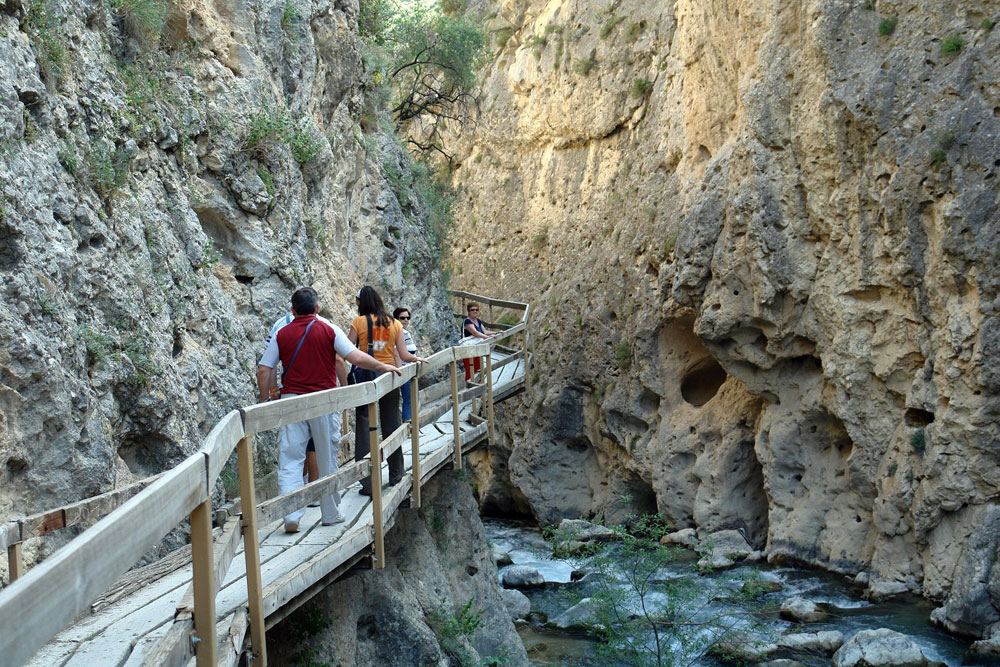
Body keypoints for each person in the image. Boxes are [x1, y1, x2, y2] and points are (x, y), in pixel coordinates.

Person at [257, 287, 400, 533]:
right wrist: (383, 367)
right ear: (317, 308)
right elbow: (354, 357)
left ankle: (291, 514)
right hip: (324, 398)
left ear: (292, 310)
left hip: (292, 401)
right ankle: (331, 512)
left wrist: (269, 399)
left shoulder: (282, 333)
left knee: (290, 458)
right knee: (326, 457)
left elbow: (264, 370)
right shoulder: (328, 329)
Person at [350, 287, 428, 495]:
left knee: (365, 425)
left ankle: (368, 483)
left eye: (357, 301)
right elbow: (403, 353)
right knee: (391, 422)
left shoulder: (359, 323)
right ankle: (396, 473)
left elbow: (347, 351)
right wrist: (416, 359)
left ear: (362, 302)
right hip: (390, 375)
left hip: (366, 376)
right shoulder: (394, 324)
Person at [393, 306, 418, 422]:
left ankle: (411, 424)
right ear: (396, 319)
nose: (406, 320)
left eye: (408, 317)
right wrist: (400, 371)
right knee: (409, 399)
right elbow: (396, 353)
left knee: (412, 398)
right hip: (404, 369)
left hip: (409, 369)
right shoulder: (398, 333)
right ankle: (408, 425)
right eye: (402, 318)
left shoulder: (405, 333)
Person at [461, 301, 495, 382]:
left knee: (478, 368)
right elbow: (475, 333)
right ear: (468, 312)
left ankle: (479, 389)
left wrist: (496, 332)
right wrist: (488, 338)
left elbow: (485, 331)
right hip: (468, 349)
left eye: (476, 310)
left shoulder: (478, 321)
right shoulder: (467, 321)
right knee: (470, 370)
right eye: (472, 310)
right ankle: (470, 390)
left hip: (477, 347)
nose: (475, 311)